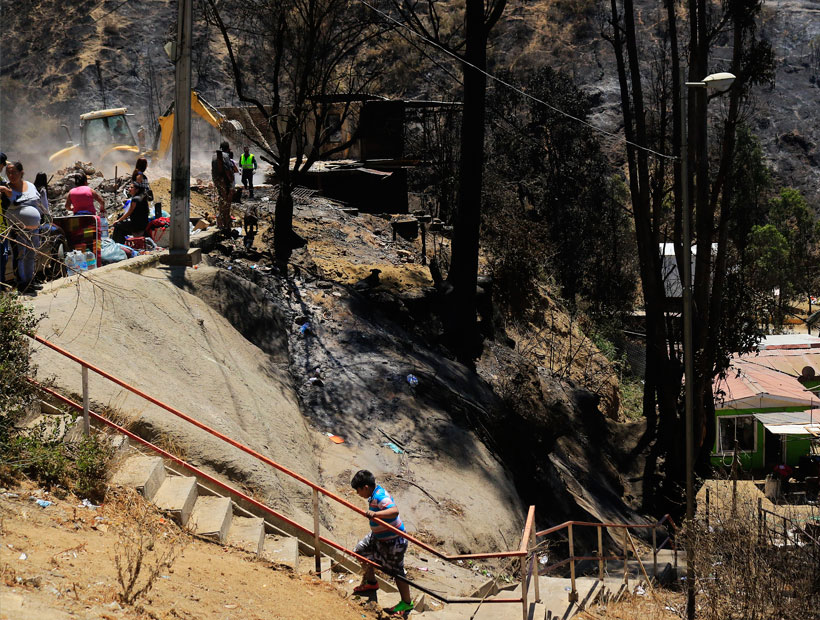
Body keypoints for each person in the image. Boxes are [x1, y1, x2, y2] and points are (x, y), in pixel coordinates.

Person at [351, 470, 413, 617]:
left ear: (365, 487)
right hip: (377, 537)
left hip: (393, 541)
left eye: (358, 490)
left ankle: (407, 602)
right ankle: (371, 582)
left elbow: (394, 511)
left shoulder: (379, 497)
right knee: (360, 551)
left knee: (397, 572)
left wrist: (376, 514)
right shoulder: (374, 493)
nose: (358, 493)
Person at [0, 162, 44, 294]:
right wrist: (7, 193)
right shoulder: (5, 188)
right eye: (8, 173)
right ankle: (22, 284)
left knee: (31, 254)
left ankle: (30, 281)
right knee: (20, 255)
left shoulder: (30, 185)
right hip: (17, 228)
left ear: (21, 172)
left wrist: (43, 216)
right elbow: (9, 203)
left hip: (34, 228)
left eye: (14, 172)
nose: (11, 175)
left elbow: (39, 202)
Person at [211, 140, 236, 235]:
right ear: (227, 148)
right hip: (225, 183)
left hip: (217, 182)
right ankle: (226, 224)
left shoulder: (214, 156)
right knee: (226, 203)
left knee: (221, 201)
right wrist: (231, 183)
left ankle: (221, 222)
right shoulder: (225, 156)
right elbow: (228, 171)